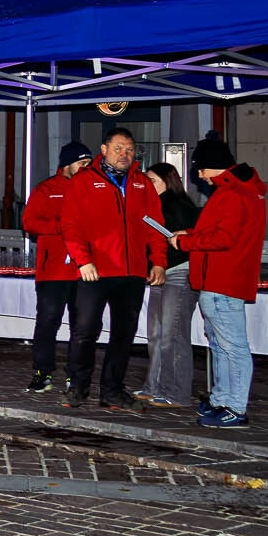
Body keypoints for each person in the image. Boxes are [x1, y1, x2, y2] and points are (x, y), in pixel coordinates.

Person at [60, 127, 166, 410]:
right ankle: (77, 387)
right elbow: (71, 224)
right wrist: (83, 259)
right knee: (85, 331)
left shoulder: (142, 183)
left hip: (132, 271)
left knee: (124, 334)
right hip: (95, 269)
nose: (124, 154)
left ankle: (112, 390)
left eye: (129, 149)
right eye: (118, 148)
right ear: (104, 150)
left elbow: (155, 225)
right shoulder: (83, 181)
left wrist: (158, 261)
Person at [171, 134, 266, 428]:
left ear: (213, 165)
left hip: (221, 280)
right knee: (221, 347)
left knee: (232, 347)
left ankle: (235, 407)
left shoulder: (231, 193)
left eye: (200, 168)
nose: (199, 175)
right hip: (226, 279)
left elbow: (223, 239)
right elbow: (224, 230)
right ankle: (221, 400)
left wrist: (185, 243)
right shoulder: (245, 190)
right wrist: (191, 233)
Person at [19, 141, 92, 393]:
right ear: (67, 164)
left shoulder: (93, 189)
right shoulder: (47, 189)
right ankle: (43, 372)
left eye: (88, 163)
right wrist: (61, 225)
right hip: (53, 271)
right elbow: (29, 222)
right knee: (47, 322)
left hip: (84, 270)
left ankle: (76, 376)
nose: (86, 167)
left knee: (82, 327)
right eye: (81, 163)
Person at [138, 161, 201, 405]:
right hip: (160, 272)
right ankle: (154, 386)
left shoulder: (178, 205)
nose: (148, 184)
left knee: (172, 335)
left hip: (178, 272)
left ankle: (175, 391)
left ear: (167, 182)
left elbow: (182, 240)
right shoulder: (153, 204)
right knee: (156, 334)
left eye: (152, 180)